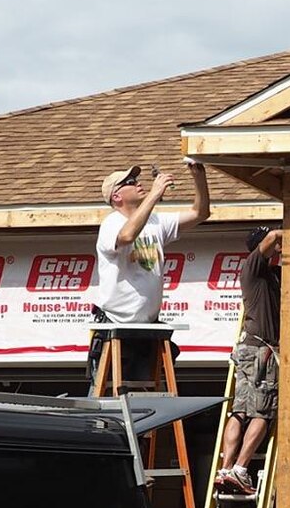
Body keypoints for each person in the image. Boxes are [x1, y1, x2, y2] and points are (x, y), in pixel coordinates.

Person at [213, 221, 290, 497]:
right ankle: (239, 470)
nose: (280, 247)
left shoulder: (276, 274)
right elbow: (272, 239)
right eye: (275, 244)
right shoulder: (253, 267)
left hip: (250, 349)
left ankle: (226, 468)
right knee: (262, 412)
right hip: (261, 352)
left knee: (240, 411)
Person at [89, 158, 210, 387]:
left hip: (148, 327)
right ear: (117, 196)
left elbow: (200, 213)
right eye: (130, 182)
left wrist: (198, 176)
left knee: (147, 399)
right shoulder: (111, 223)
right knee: (110, 399)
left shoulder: (156, 222)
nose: (138, 184)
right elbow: (126, 236)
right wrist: (154, 194)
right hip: (117, 326)